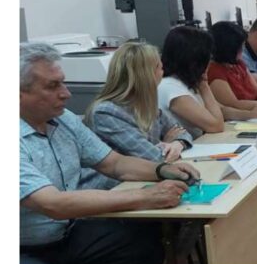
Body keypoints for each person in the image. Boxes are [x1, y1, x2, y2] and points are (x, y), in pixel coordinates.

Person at [20, 43, 199, 264]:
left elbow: (115, 163)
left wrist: (162, 170)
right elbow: (52, 204)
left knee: (144, 241)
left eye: (63, 83)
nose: (66, 93)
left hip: (67, 233)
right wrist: (145, 197)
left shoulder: (64, 120)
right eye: (52, 86)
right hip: (27, 248)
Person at [81, 42, 194, 190]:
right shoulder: (106, 112)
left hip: (142, 181)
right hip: (110, 188)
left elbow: (183, 132)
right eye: (160, 68)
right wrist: (165, 144)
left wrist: (177, 143)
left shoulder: (145, 104)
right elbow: (154, 158)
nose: (163, 73)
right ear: (147, 75)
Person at [158, 26, 257, 139]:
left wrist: (250, 115)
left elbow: (221, 110)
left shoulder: (187, 82)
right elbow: (215, 125)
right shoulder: (171, 88)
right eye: (208, 57)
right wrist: (204, 86)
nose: (210, 61)